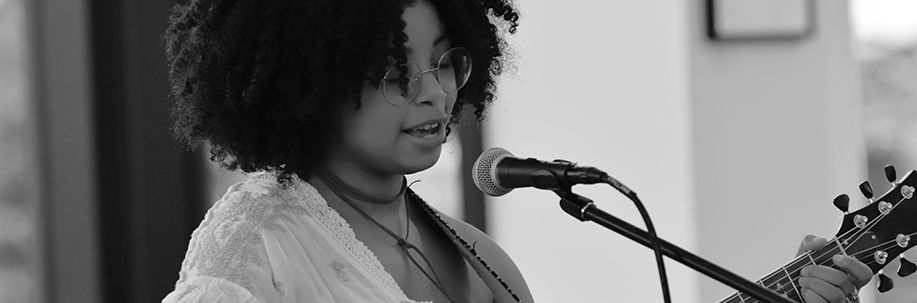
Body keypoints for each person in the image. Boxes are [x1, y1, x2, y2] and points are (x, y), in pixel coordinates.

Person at [160, 0, 870, 302]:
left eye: (445, 62)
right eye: (390, 69)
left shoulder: (480, 258)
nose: (433, 94)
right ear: (305, 82)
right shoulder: (254, 249)